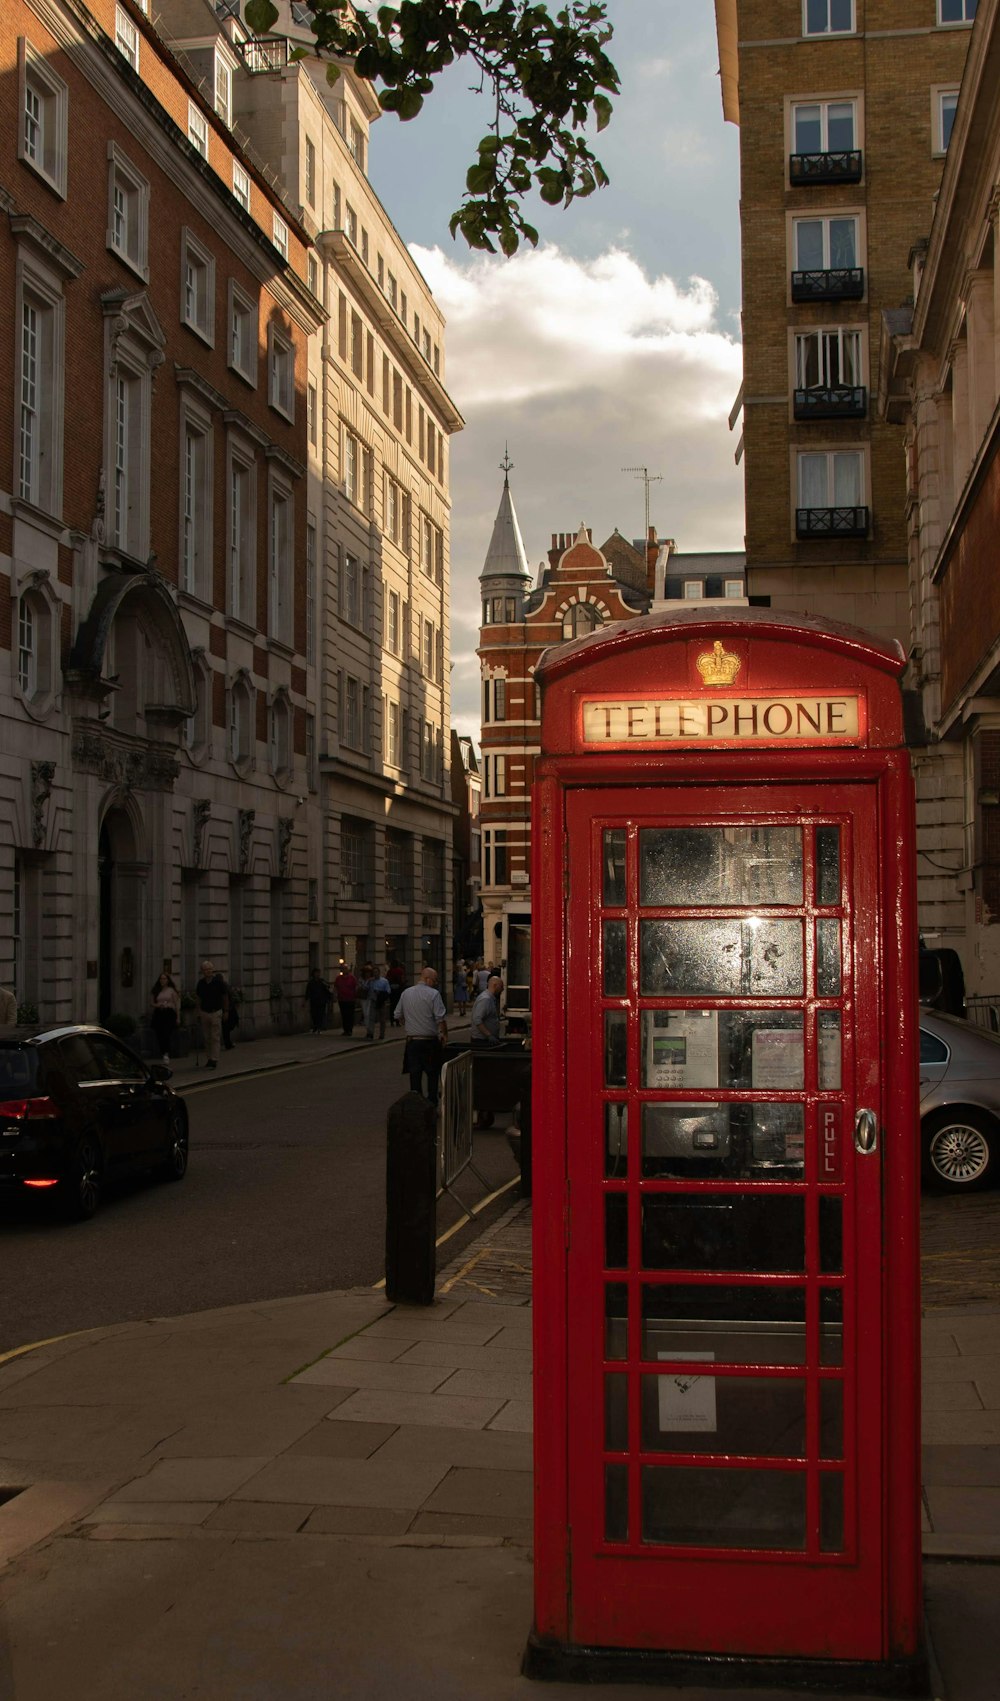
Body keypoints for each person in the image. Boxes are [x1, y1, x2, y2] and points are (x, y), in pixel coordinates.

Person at [396, 966, 448, 1105]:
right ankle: (431, 1103)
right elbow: (440, 1018)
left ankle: (416, 1104)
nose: (436, 983)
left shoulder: (406, 993)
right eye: (435, 980)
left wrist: (409, 1022)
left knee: (415, 1074)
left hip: (412, 1041)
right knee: (432, 1074)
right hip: (429, 1041)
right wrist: (444, 1035)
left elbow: (398, 1015)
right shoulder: (434, 994)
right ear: (427, 979)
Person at [195, 960, 229, 1069]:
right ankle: (209, 1058)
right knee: (207, 1037)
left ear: (212, 970)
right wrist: (198, 1012)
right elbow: (198, 998)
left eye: (209, 969)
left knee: (215, 1037)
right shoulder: (200, 983)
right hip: (204, 1012)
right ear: (202, 971)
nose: (208, 971)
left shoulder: (219, 982)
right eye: (205, 970)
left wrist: (226, 1011)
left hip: (216, 1011)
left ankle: (214, 1059)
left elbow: (225, 997)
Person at [150, 971, 180, 1062]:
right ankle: (163, 1052)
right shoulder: (156, 990)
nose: (162, 980)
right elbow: (151, 1003)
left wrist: (178, 1017)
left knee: (166, 1033)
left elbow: (176, 1004)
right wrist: (158, 1005)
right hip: (159, 1013)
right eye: (161, 979)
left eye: (164, 979)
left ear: (168, 980)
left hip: (169, 1013)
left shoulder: (171, 990)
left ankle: (166, 1053)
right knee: (159, 1033)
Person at [471, 974, 504, 1047]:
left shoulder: (490, 998)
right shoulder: (486, 999)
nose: (502, 989)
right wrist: (489, 1035)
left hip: (485, 1040)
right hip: (481, 1041)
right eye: (501, 986)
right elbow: (477, 1019)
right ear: (495, 985)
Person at [360, 963, 391, 1041]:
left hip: (381, 1002)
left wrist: (380, 993)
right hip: (373, 1001)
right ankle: (370, 1033)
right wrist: (367, 981)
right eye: (374, 973)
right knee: (371, 1018)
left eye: (376, 972)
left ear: (379, 973)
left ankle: (382, 1034)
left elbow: (388, 991)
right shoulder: (371, 981)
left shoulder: (384, 981)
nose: (375, 974)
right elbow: (365, 988)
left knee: (382, 1019)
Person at [304, 969, 331, 1035]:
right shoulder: (311, 982)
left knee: (321, 1014)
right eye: (316, 973)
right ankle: (315, 1027)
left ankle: (319, 1027)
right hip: (314, 1001)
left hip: (322, 1000)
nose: (318, 974)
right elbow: (308, 991)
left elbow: (328, 987)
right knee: (314, 1014)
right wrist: (306, 1000)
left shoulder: (322, 981)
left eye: (318, 973)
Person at [333, 965, 358, 1037]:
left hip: (351, 999)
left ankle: (349, 1029)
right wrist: (334, 996)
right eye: (343, 969)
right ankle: (345, 1030)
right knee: (344, 1015)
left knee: (350, 1015)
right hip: (342, 999)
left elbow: (355, 987)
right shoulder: (338, 978)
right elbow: (335, 987)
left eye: (345, 969)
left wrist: (356, 997)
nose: (344, 970)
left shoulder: (352, 978)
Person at [387, 958, 406, 1026]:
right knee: (398, 1005)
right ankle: (397, 1021)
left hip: (392, 989)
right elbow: (402, 980)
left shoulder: (390, 971)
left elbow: (387, 979)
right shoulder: (400, 971)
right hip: (398, 989)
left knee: (392, 1005)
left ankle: (392, 1021)